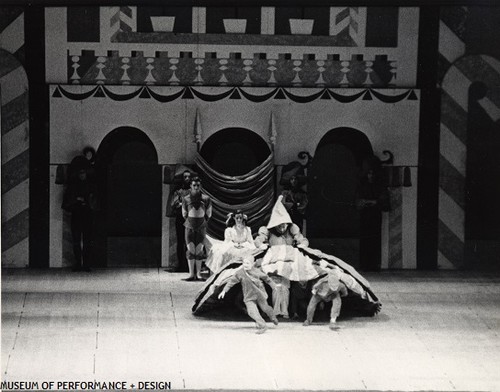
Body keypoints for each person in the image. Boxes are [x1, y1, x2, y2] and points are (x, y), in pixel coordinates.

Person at [218, 255, 279, 334]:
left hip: (260, 295)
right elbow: (231, 282)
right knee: (251, 311)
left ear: (253, 263)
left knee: (265, 308)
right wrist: (224, 291)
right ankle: (262, 325)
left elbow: (267, 279)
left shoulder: (257, 271)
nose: (245, 265)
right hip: (249, 296)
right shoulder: (240, 273)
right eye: (244, 263)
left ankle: (272, 316)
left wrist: (274, 286)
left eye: (248, 263)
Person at [356, 163, 390, 271]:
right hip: (365, 215)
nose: (371, 175)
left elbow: (381, 201)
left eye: (372, 173)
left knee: (375, 239)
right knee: (365, 239)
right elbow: (358, 201)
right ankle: (364, 264)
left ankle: (374, 265)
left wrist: (372, 202)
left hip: (375, 215)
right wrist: (369, 202)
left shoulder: (379, 186)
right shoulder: (362, 186)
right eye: (369, 173)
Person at [62, 167, 95, 272]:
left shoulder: (76, 186)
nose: (82, 175)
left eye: (83, 172)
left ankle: (84, 264)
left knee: (85, 240)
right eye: (80, 173)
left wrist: (78, 200)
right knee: (78, 240)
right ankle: (80, 264)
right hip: (81, 214)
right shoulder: (86, 185)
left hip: (83, 214)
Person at [182, 176, 212, 281]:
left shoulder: (206, 199)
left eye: (198, 185)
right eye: (194, 185)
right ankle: (191, 274)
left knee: (199, 250)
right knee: (190, 250)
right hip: (189, 227)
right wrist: (191, 221)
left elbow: (209, 213)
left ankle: (198, 274)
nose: (196, 187)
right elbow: (184, 213)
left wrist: (201, 222)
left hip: (201, 227)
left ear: (200, 186)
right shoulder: (186, 199)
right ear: (190, 186)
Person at [169, 170, 192, 272]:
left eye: (188, 177)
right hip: (180, 218)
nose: (187, 179)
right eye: (185, 177)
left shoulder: (193, 191)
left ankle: (189, 265)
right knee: (180, 241)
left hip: (191, 219)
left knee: (190, 242)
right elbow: (174, 204)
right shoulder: (178, 191)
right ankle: (180, 264)